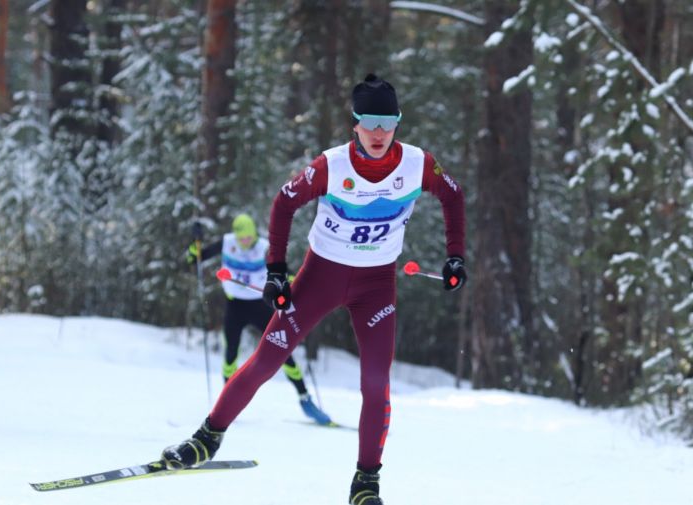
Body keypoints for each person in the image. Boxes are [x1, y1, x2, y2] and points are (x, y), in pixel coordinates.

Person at [164, 74, 466, 505]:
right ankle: (206, 439)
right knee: (266, 360)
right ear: (355, 123)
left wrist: (455, 256)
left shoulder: (418, 164)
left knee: (376, 384)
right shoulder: (331, 166)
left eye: (387, 122)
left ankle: (366, 484)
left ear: (398, 122)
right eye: (369, 121)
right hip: (320, 277)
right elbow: (283, 203)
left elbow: (453, 196)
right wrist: (276, 271)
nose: (379, 132)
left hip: (376, 285)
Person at [186, 212, 332, 425]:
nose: (245, 241)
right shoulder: (227, 243)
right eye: (241, 238)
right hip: (235, 306)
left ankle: (305, 398)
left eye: (249, 237)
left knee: (283, 351)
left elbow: (284, 272)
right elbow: (194, 260)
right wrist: (195, 241)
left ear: (254, 234)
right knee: (230, 354)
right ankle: (227, 402)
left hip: (261, 306)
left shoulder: (264, 247)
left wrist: (295, 283)